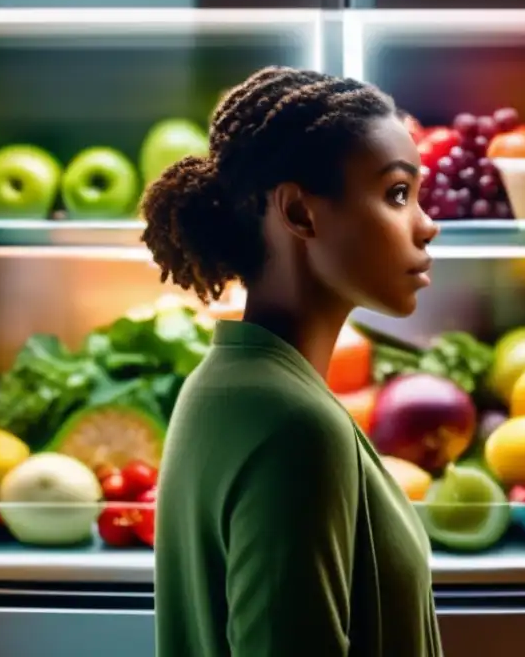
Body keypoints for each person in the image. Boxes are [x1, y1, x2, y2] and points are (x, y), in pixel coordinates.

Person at [144, 66, 442, 656]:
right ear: (301, 214)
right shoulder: (296, 428)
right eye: (397, 194)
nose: (427, 226)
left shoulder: (221, 385)